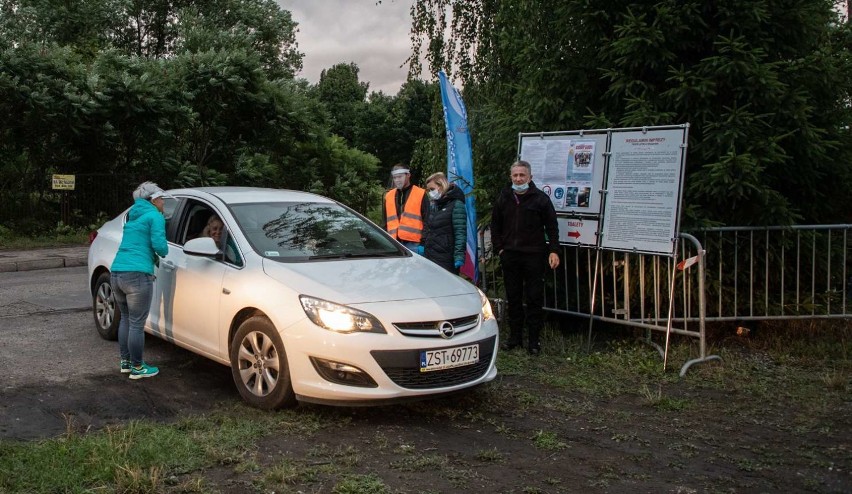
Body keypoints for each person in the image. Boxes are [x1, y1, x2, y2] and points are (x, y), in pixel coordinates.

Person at [490, 161, 560, 356]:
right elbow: (495, 225)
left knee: (534, 298)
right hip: (510, 255)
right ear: (510, 177)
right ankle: (515, 338)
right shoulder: (504, 197)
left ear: (530, 177)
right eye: (515, 175)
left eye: (522, 175)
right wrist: (500, 249)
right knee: (513, 298)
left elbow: (552, 227)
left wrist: (554, 250)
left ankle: (534, 341)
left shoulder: (540, 199)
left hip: (534, 256)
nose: (518, 179)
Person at [110, 181, 171, 379]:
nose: (163, 202)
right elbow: (160, 247)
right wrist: (164, 250)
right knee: (137, 323)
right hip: (137, 275)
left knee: (126, 319)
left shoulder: (132, 217)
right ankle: (138, 367)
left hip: (117, 273)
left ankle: (126, 363)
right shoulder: (155, 216)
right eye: (161, 199)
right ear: (153, 200)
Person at [423, 172, 467, 274]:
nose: (430, 192)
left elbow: (460, 232)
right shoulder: (434, 204)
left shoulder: (456, 204)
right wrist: (423, 243)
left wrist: (459, 255)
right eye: (429, 190)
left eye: (432, 189)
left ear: (441, 186)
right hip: (430, 255)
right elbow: (428, 227)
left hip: (446, 257)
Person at [381, 164, 429, 253]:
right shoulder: (389, 196)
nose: (397, 180)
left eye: (400, 177)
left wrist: (423, 242)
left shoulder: (420, 193)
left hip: (414, 243)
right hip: (393, 242)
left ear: (408, 175)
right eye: (395, 178)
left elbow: (427, 220)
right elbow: (384, 222)